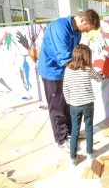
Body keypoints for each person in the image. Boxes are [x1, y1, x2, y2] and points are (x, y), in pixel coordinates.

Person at [38, 9, 100, 152]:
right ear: (83, 20)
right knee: (57, 106)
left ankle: (71, 133)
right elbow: (65, 58)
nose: (86, 33)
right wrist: (87, 71)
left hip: (66, 72)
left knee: (68, 104)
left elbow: (75, 56)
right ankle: (61, 139)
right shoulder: (59, 27)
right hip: (52, 72)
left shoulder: (77, 31)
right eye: (88, 29)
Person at [63, 44, 101, 165]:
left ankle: (73, 158)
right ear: (87, 56)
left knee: (75, 131)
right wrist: (102, 75)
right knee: (89, 128)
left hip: (74, 105)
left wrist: (70, 101)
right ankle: (90, 153)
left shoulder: (68, 70)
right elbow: (99, 78)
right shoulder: (89, 69)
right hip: (88, 104)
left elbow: (65, 88)